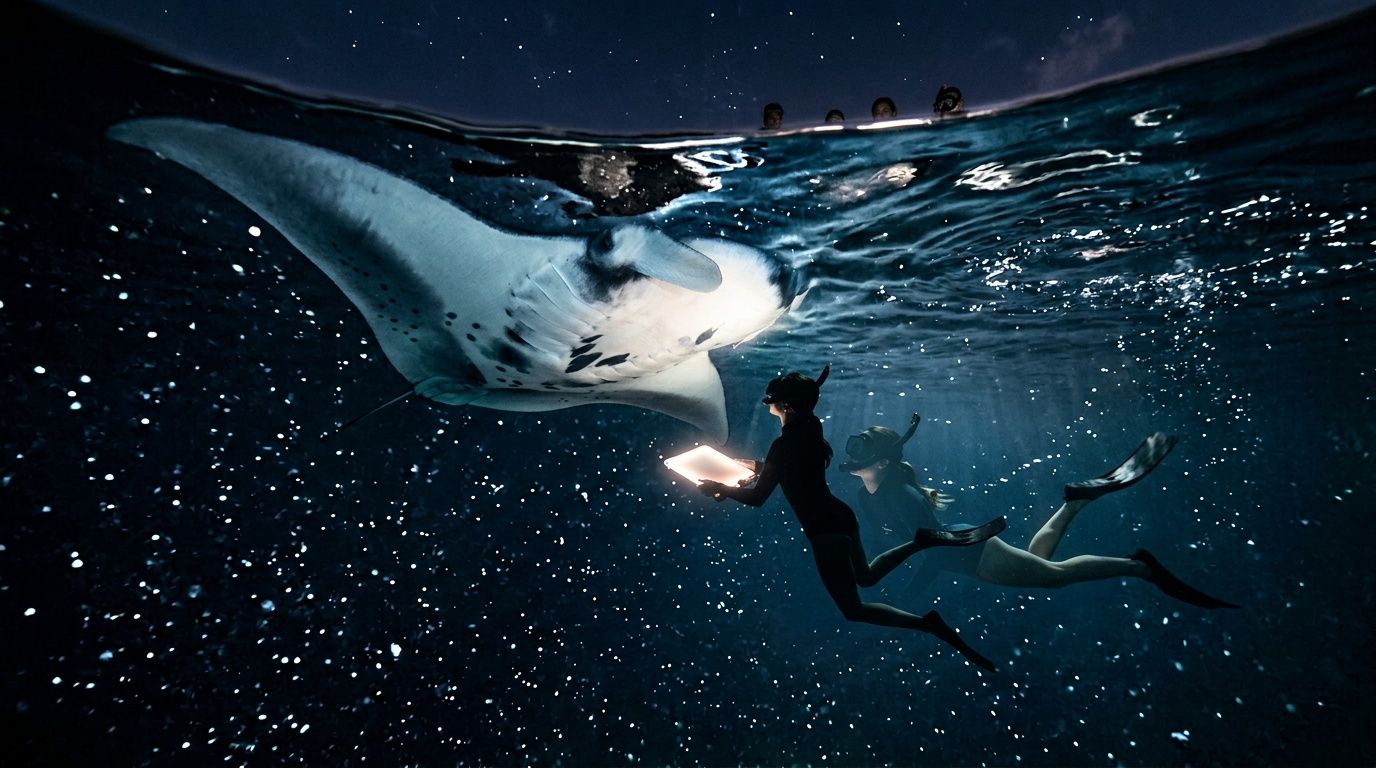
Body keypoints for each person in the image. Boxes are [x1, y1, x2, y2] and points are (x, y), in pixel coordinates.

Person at [697, 367, 1007, 670]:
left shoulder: (783, 443)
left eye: (772, 400)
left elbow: (757, 498)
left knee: (853, 609)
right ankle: (920, 543)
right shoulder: (810, 432)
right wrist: (753, 466)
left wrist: (718, 486)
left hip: (823, 528)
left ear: (784, 405)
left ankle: (926, 623)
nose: (769, 405)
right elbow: (795, 470)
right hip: (840, 515)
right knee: (867, 577)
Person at [844, 414, 1238, 609]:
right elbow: (904, 545)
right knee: (1039, 562)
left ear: (883, 461)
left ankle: (1140, 567)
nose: (853, 456)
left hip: (968, 552)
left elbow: (930, 549)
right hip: (963, 553)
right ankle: (1076, 500)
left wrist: (907, 597)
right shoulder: (866, 496)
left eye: (862, 449)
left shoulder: (903, 498)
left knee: (1054, 577)